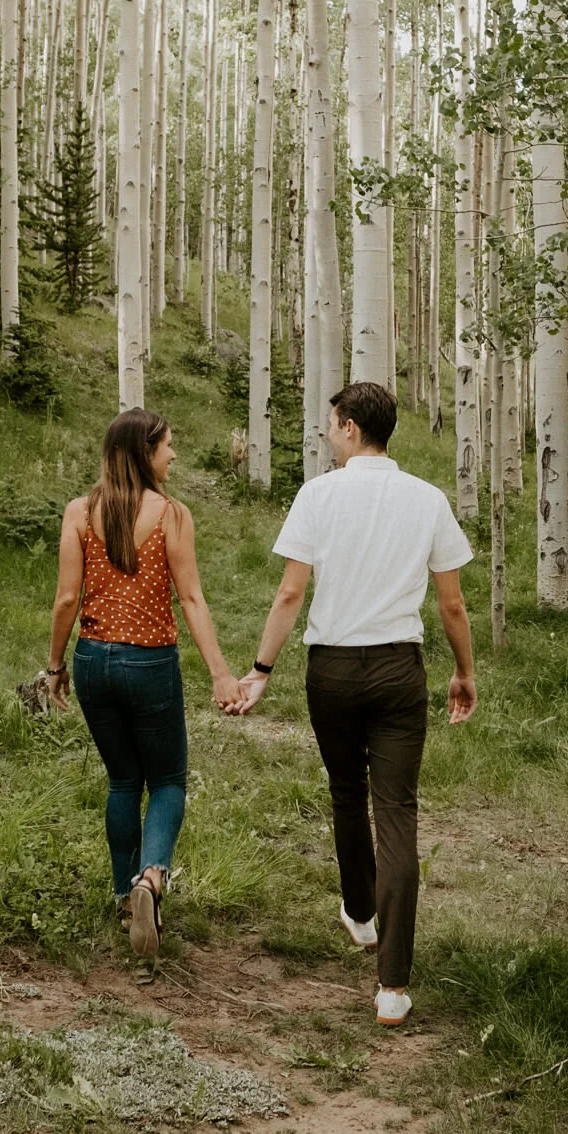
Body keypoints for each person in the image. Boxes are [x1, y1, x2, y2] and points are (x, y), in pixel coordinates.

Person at [229, 380, 477, 1027]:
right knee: (396, 811)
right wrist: (464, 671)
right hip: (400, 669)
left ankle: (361, 915)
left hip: (332, 668)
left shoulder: (319, 494)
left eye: (330, 422)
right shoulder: (427, 498)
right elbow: (451, 602)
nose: (328, 432)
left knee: (346, 790)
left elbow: (289, 594)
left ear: (348, 428)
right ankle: (392, 986)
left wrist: (260, 671)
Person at [48, 408, 241, 957]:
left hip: (92, 663)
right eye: (167, 447)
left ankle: (119, 893)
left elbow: (67, 599)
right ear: (143, 451)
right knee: (169, 781)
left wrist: (56, 666)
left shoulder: (80, 512)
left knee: (122, 782)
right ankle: (149, 881)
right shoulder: (171, 515)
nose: (173, 455)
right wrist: (221, 674)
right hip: (150, 663)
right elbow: (192, 598)